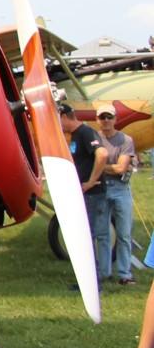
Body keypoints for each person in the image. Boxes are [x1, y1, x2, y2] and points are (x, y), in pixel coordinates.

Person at [59, 103, 110, 283]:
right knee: (85, 236)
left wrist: (89, 182)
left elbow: (102, 154)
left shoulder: (86, 132)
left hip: (92, 194)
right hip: (84, 194)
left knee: (87, 236)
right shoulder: (74, 135)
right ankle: (89, 280)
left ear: (64, 116)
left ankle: (93, 282)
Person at [94, 102, 137, 285]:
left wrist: (99, 166)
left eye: (109, 117)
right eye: (102, 117)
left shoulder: (125, 140)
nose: (106, 120)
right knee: (102, 233)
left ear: (115, 119)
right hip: (101, 190)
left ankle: (124, 274)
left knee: (124, 234)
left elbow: (121, 168)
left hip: (121, 189)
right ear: (97, 120)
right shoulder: (94, 139)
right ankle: (104, 273)